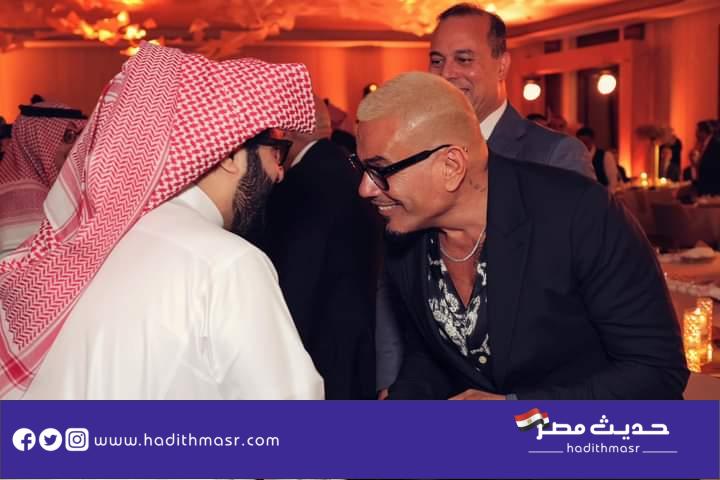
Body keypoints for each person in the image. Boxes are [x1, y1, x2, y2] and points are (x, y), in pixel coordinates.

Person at [0, 43, 323, 400]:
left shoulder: (85, 249)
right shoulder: (227, 265)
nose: (279, 172)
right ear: (231, 154)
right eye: (277, 152)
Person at [354, 72, 688, 400]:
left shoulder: (579, 214)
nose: (365, 188)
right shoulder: (406, 235)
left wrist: (517, 415)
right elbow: (435, 355)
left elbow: (656, 372)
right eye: (362, 168)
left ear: (451, 166)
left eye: (380, 170)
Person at [259, 97, 380, 399]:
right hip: (359, 342)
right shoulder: (348, 167)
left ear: (288, 131)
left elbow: (296, 279)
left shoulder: (300, 185)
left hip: (317, 349)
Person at [428, 4, 593, 178]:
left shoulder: (554, 155)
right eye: (437, 61)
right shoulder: (421, 146)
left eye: (463, 59)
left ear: (502, 66)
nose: (446, 74)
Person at [0, 102, 87, 259]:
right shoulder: (22, 195)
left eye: (80, 136)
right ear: (37, 141)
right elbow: (27, 266)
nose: (76, 146)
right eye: (68, 137)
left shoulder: (49, 186)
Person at [576, 126, 619, 191]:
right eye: (580, 143)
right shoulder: (575, 157)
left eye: (586, 142)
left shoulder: (605, 156)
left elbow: (613, 180)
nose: (583, 145)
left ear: (592, 140)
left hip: (601, 193)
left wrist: (608, 194)